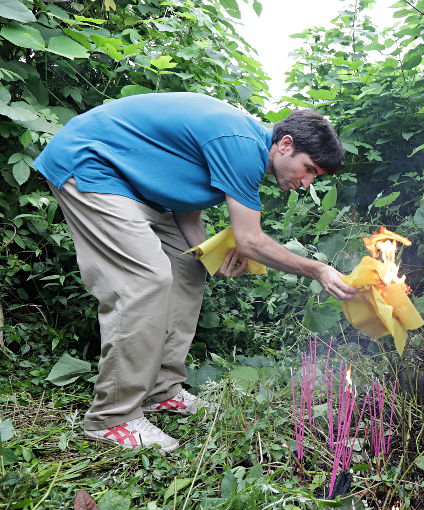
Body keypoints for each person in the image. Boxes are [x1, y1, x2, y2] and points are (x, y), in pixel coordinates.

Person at [34, 92, 357, 452]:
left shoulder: (243, 147)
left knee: (190, 267)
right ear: (285, 144)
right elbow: (249, 240)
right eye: (309, 168)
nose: (307, 182)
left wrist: (211, 259)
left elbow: (186, 206)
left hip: (145, 194)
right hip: (93, 167)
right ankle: (112, 416)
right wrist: (318, 269)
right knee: (145, 279)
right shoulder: (241, 145)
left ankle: (161, 389)